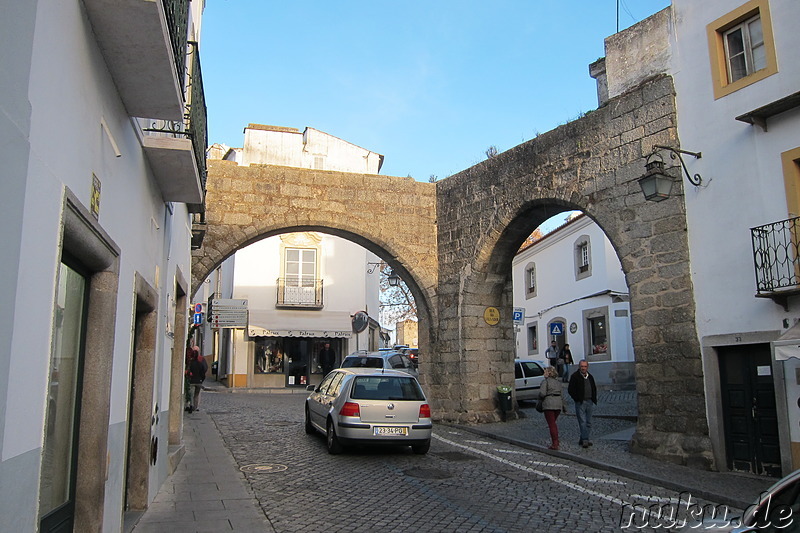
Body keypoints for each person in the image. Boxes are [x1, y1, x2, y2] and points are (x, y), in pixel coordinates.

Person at [568, 359, 597, 448]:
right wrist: (576, 398)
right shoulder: (575, 376)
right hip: (580, 402)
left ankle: (584, 438)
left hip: (589, 401)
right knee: (582, 421)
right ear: (579, 367)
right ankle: (585, 439)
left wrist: (593, 398)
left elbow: (594, 388)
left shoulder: (590, 377)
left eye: (585, 366)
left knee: (589, 422)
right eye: (582, 366)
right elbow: (570, 390)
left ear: (587, 367)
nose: (583, 368)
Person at [538, 366, 566, 450]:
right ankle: (556, 440)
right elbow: (562, 395)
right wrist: (564, 407)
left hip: (549, 404)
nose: (544, 373)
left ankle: (555, 443)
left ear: (549, 373)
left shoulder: (545, 382)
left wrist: (539, 397)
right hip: (558, 404)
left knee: (552, 424)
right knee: (553, 423)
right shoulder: (558, 383)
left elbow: (542, 393)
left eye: (545, 371)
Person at [187, 347, 207, 413]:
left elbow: (188, 371)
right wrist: (201, 379)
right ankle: (196, 407)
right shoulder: (200, 362)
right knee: (196, 395)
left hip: (192, 381)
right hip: (198, 381)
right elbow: (204, 371)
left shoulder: (190, 363)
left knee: (191, 394)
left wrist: (189, 377)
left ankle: (191, 406)